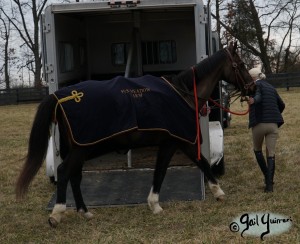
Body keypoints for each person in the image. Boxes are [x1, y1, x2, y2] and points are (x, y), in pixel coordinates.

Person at [247, 68, 285, 192]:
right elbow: (282, 104)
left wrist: (253, 100)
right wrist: (274, 114)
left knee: (257, 150)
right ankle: (269, 185)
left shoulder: (255, 86)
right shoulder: (271, 87)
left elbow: (258, 96)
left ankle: (267, 178)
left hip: (259, 124)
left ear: (252, 77)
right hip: (273, 125)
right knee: (271, 153)